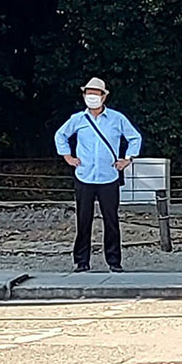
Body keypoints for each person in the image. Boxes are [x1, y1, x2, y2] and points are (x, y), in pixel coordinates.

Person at [53, 77, 142, 273]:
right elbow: (61, 135)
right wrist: (67, 156)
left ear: (104, 96)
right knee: (83, 220)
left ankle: (114, 261)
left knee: (111, 220)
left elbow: (135, 137)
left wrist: (127, 158)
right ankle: (81, 261)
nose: (92, 97)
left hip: (108, 176)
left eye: (96, 93)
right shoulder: (77, 119)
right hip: (84, 175)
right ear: (84, 95)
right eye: (89, 93)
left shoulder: (117, 118)